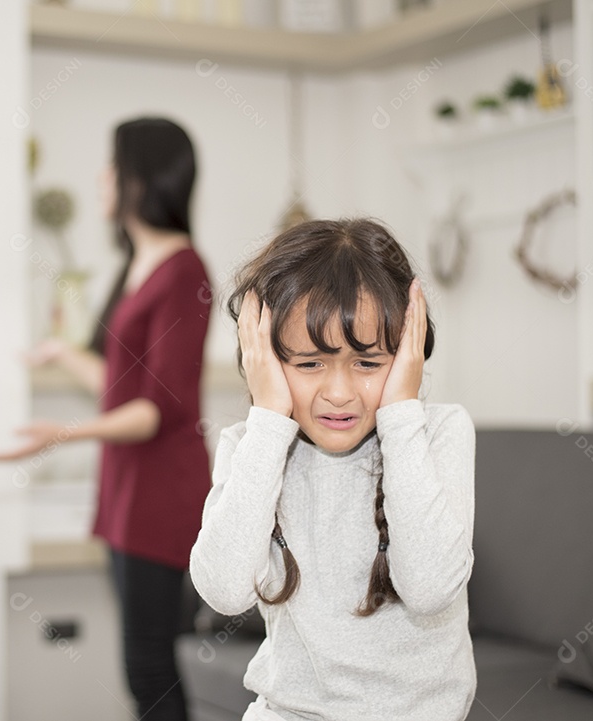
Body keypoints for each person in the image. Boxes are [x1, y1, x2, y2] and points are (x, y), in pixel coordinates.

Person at [190, 219, 476, 721]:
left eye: (368, 363)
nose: (339, 393)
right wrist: (269, 421)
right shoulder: (251, 445)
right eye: (309, 364)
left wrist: (401, 413)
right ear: (266, 361)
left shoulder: (436, 434)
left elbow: (430, 589)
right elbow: (225, 591)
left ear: (408, 354)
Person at [0, 117, 210, 721]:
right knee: (141, 667)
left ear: (141, 179)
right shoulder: (137, 266)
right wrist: (66, 354)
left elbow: (155, 409)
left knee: (151, 669)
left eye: (113, 166)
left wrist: (61, 434)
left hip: (161, 495)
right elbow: (124, 390)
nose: (102, 178)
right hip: (125, 492)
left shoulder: (184, 270)